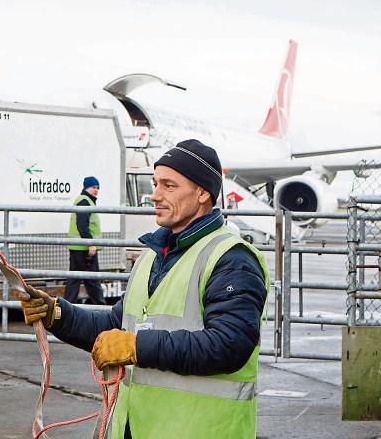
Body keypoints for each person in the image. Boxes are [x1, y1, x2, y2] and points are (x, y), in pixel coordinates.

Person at [21, 140, 269, 439]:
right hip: (137, 427)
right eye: (155, 183)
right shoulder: (152, 255)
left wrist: (137, 347)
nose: (155, 195)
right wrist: (58, 315)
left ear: (203, 192)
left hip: (200, 429)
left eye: (169, 185)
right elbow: (117, 325)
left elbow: (230, 345)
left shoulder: (231, 258)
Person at [64, 175, 106, 305]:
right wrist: (90, 243)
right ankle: (102, 309)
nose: (96, 190)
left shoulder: (85, 200)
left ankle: (65, 310)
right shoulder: (84, 201)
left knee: (76, 280)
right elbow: (82, 225)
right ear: (86, 187)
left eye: (98, 187)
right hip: (84, 248)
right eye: (93, 187)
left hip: (80, 247)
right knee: (91, 280)